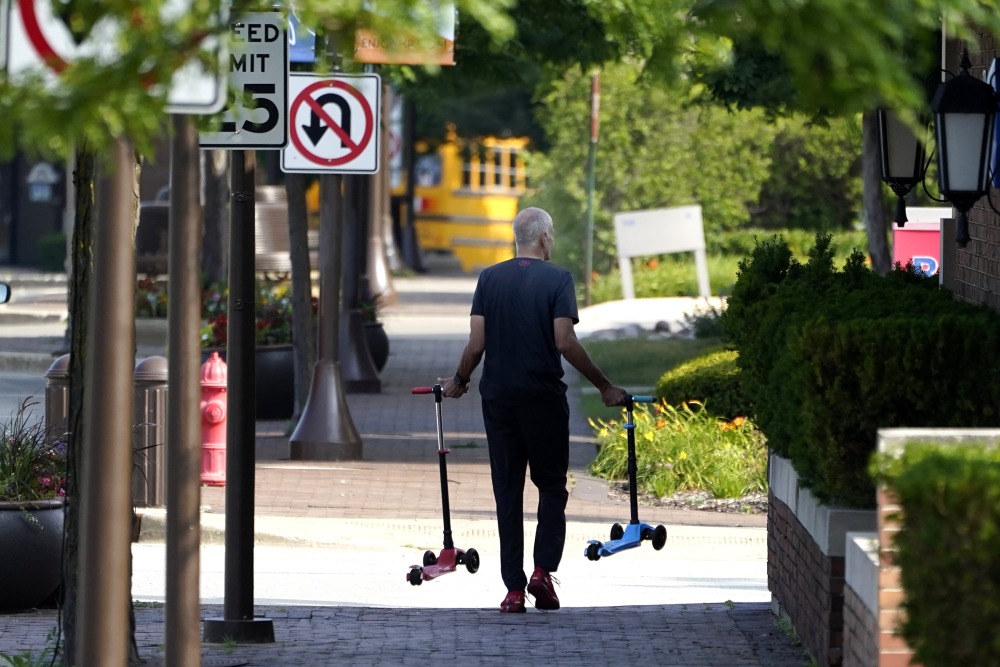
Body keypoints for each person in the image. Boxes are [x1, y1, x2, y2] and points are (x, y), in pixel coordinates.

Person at [438, 207, 626, 613]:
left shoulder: (489, 278)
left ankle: (513, 590)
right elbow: (565, 341)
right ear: (543, 238)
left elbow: (476, 343)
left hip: (499, 401)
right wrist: (604, 386)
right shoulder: (558, 279)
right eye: (551, 235)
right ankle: (542, 571)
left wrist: (460, 379)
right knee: (552, 487)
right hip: (543, 400)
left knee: (507, 492)